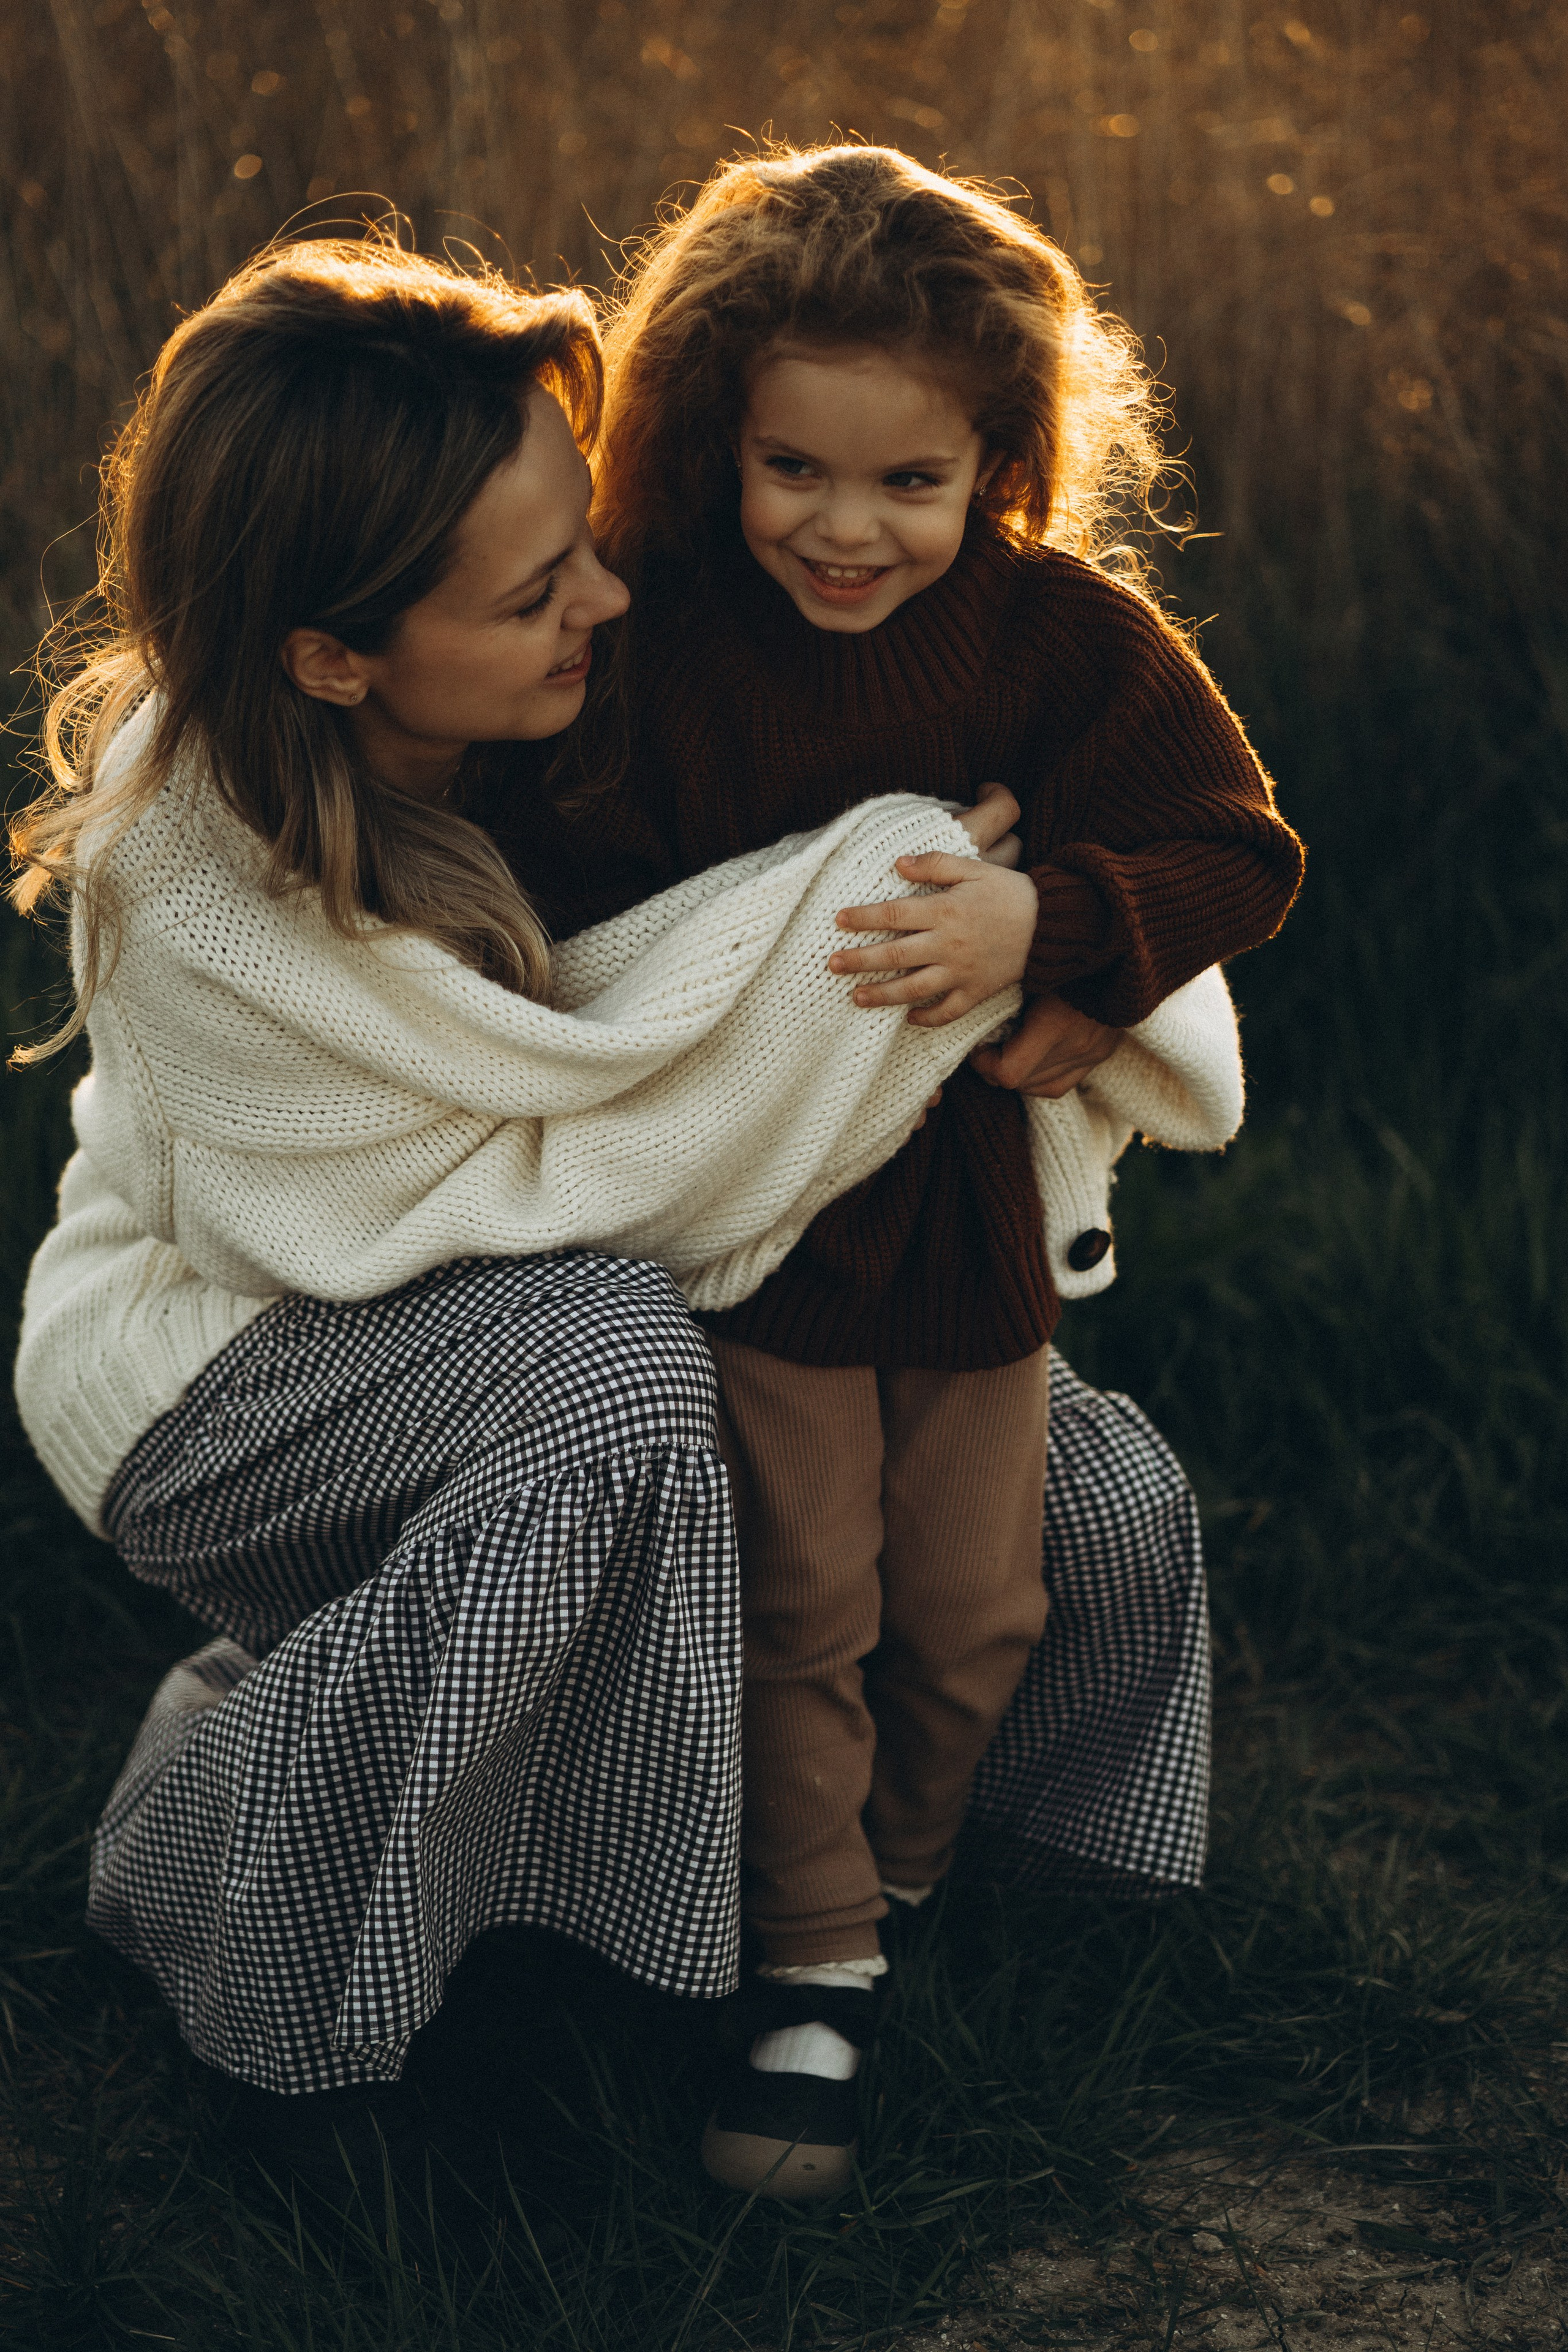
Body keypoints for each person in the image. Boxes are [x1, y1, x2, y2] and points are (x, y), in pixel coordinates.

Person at [6, 233, 1044, 2204]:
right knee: (619, 1392)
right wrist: (867, 920)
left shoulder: (547, 699)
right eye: (539, 586)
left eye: (586, 535)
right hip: (216, 1357)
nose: (613, 596)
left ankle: (870, 1886)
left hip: (481, 1304)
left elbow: (625, 1051)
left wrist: (1030, 925)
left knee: (1043, 1460)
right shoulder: (192, 875)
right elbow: (513, 1175)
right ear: (331, 655)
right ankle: (270, 1960)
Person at [490, 144, 1305, 2198]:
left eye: (909, 486)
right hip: (758, 1221)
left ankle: (895, 1878)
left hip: (967, 1239)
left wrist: (1055, 933)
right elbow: (584, 914)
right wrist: (759, 960)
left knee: (970, 1609)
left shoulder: (1058, 641)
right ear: (710, 442)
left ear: (1000, 466)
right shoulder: (661, 639)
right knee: (800, 1598)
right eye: (792, 471)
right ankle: (813, 1961)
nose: (845, 532)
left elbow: (1242, 852)